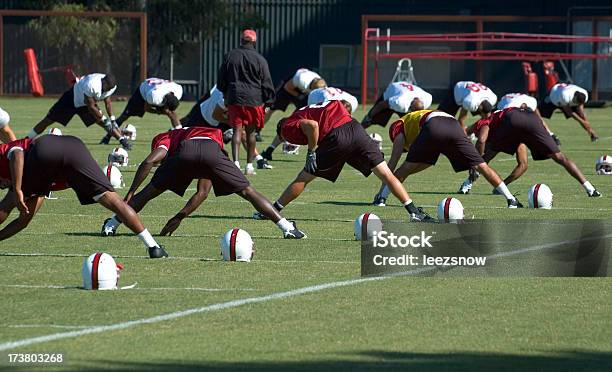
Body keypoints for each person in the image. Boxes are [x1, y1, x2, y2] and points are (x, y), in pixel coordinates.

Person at [100, 126, 305, 239]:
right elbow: (202, 193)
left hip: (185, 151)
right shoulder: (205, 132)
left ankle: (110, 225)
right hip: (212, 152)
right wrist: (180, 216)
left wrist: (131, 192)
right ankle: (288, 228)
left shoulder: (168, 136)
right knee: (248, 192)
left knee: (148, 192)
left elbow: (149, 161)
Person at [255, 99, 435, 222]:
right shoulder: (307, 108)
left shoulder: (286, 126)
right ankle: (413, 211)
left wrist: (311, 152)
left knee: (304, 176)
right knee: (386, 174)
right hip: (355, 128)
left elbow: (312, 126)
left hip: (337, 135)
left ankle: (273, 210)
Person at [0, 135, 167, 258]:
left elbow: (17, 154)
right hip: (74, 146)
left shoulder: (8, 161)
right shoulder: (38, 178)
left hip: (44, 149)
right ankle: (153, 246)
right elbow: (25, 219)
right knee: (114, 200)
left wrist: (17, 188)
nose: (2, 186)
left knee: (10, 201)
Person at [372, 109, 523, 208]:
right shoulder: (414, 120)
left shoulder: (398, 127)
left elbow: (392, 162)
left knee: (405, 168)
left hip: (434, 126)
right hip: (454, 125)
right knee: (482, 166)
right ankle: (511, 200)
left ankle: (381, 199)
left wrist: (380, 190)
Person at [457, 107, 602, 197]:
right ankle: (590, 188)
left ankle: (468, 184)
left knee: (484, 158)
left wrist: (474, 161)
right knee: (559, 157)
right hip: (532, 118)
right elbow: (523, 165)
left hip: (512, 120)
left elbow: (481, 139)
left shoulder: (484, 121)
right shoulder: (497, 119)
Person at [217, 29, 275, 175]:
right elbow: (266, 81)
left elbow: (221, 79)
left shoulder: (230, 56)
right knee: (250, 133)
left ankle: (235, 164)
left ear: (241, 40)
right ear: (254, 41)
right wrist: (268, 102)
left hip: (234, 97)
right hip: (254, 99)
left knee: (237, 130)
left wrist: (225, 94)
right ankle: (249, 165)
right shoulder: (260, 59)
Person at [27, 73, 131, 150]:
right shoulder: (92, 84)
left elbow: (107, 102)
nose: (107, 90)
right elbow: (90, 106)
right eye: (106, 87)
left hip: (85, 103)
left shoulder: (110, 87)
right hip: (72, 99)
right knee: (48, 120)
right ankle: (27, 140)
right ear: (103, 82)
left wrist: (112, 119)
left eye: (109, 89)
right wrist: (104, 119)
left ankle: (122, 140)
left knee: (104, 123)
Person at [180, 86, 272, 171]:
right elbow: (215, 115)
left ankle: (258, 160)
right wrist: (233, 125)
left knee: (240, 131)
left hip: (220, 111)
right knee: (185, 138)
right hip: (205, 116)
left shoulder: (246, 95)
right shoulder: (228, 97)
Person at [260, 68, 326, 160]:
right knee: (277, 111)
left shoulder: (320, 86)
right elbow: (287, 87)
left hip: (305, 94)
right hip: (288, 88)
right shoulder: (302, 81)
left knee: (298, 121)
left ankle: (269, 150)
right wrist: (300, 97)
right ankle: (259, 132)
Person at [99, 78, 183, 144]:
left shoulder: (178, 90)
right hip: (143, 92)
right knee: (124, 116)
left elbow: (170, 108)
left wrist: (168, 111)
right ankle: (107, 137)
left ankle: (179, 135)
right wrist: (159, 112)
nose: (167, 110)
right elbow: (146, 108)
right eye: (167, 108)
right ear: (164, 103)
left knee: (172, 113)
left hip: (157, 89)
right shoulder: (155, 97)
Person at [361, 81, 432, 128]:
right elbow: (382, 104)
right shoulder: (400, 103)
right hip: (392, 92)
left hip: (403, 91)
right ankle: (357, 134)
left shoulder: (427, 98)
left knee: (412, 125)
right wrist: (369, 116)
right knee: (370, 120)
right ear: (410, 107)